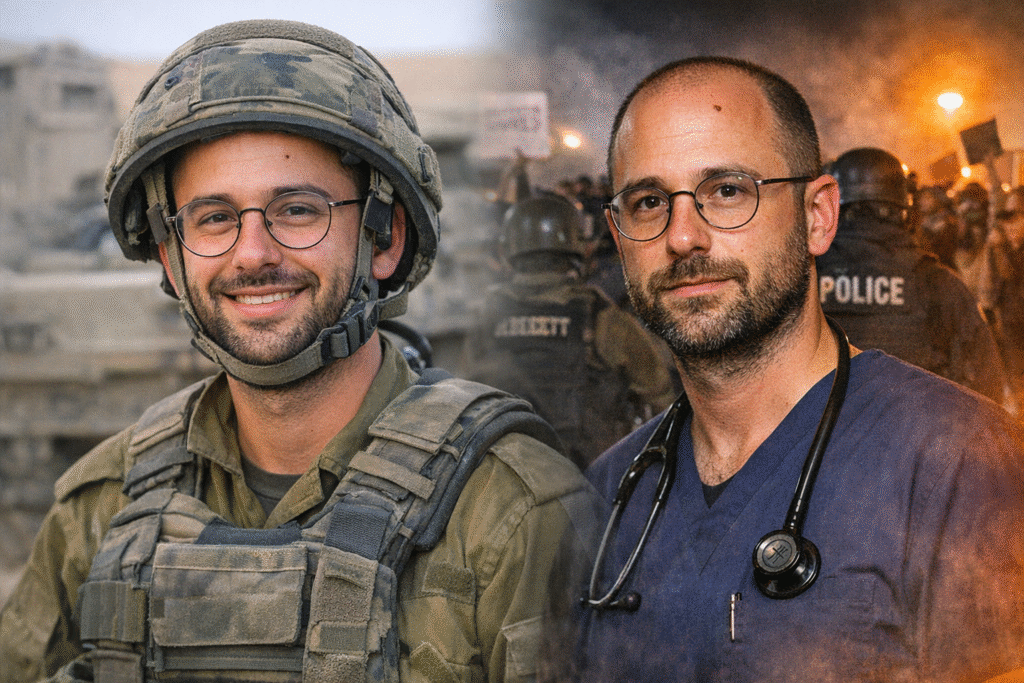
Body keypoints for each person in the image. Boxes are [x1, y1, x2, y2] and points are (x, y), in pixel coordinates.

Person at [0, 20, 598, 683]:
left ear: (384, 236)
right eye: (214, 217)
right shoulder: (99, 510)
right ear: (171, 255)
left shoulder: (513, 515)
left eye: (297, 210)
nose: (253, 253)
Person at [541, 56, 1024, 682]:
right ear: (618, 232)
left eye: (728, 190)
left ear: (819, 215)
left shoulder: (960, 467)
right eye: (649, 201)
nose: (683, 235)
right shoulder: (605, 498)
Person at [460, 194, 676, 469]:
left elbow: (466, 395)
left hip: (506, 478)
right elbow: (660, 394)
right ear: (577, 249)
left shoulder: (486, 316)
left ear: (509, 250)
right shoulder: (599, 317)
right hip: (590, 483)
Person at [817, 146, 1008, 405]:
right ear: (905, 208)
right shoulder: (939, 284)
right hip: (917, 439)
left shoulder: (801, 281)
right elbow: (987, 390)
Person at [980, 185, 1024, 408]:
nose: (1010, 222)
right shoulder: (1000, 243)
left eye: (1016, 215)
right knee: (1014, 372)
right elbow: (995, 279)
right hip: (1009, 318)